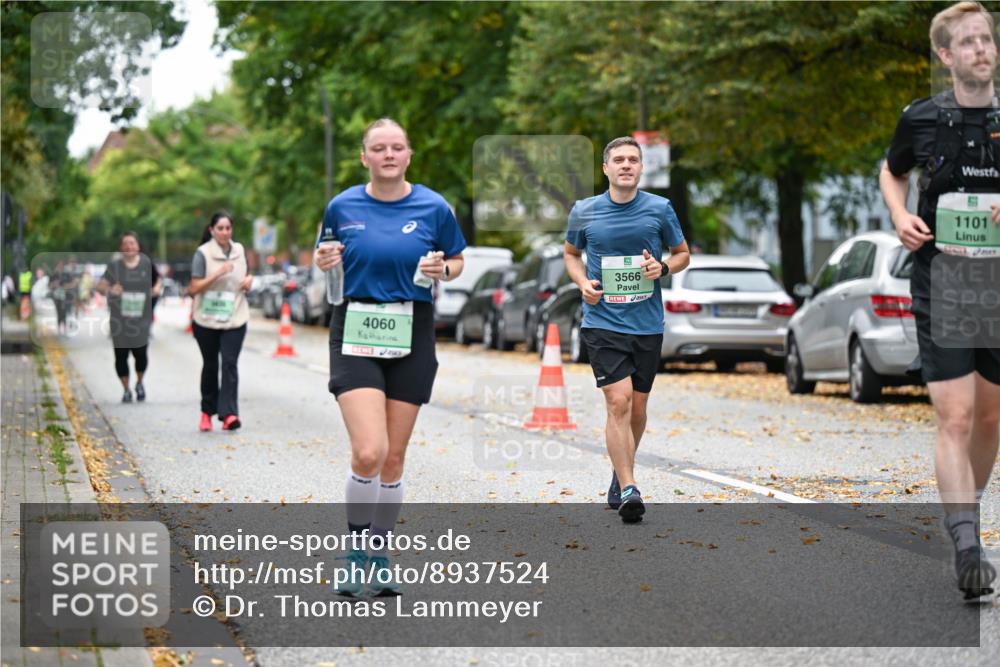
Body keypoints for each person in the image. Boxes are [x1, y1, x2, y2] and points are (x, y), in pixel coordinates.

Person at [314, 118, 466, 596]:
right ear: (365, 157)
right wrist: (322, 260)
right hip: (355, 327)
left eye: (396, 147)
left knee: (394, 459)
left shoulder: (433, 206)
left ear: (408, 154)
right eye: (378, 148)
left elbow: (457, 259)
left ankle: (380, 555)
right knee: (369, 451)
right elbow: (325, 256)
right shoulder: (342, 205)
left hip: (412, 330)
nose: (388, 155)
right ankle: (356, 554)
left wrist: (445, 267)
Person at [879, 1, 1000, 602]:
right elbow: (891, 170)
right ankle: (966, 546)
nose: (981, 48)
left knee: (989, 418)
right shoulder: (922, 118)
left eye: (988, 39)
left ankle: (962, 516)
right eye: (968, 42)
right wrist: (901, 214)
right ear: (946, 56)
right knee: (954, 416)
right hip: (942, 282)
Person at [564, 137, 690, 524]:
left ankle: (619, 473)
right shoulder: (584, 211)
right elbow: (571, 255)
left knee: (637, 407)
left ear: (640, 168)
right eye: (618, 159)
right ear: (605, 168)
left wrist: (663, 269)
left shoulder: (659, 208)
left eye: (633, 160)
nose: (626, 165)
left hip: (647, 324)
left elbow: (682, 253)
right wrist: (583, 283)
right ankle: (631, 487)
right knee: (617, 402)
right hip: (602, 322)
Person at [188, 212, 252, 432]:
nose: (225, 232)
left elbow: (247, 275)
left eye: (228, 228)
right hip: (206, 319)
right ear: (212, 230)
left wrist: (248, 281)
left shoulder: (240, 250)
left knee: (230, 364)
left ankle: (229, 414)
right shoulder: (203, 254)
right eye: (220, 228)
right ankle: (206, 412)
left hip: (235, 316)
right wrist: (218, 273)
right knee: (211, 365)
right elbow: (193, 289)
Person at [96, 232, 161, 403]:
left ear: (137, 246)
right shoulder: (114, 266)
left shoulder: (146, 264)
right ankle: (126, 389)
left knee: (141, 353)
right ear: (121, 248)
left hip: (141, 317)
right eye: (125, 244)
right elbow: (100, 286)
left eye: (132, 243)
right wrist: (111, 290)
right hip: (119, 319)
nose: (129, 247)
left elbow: (158, 280)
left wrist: (156, 290)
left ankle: (139, 382)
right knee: (121, 355)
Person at [49, 260, 76, 335]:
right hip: (57, 297)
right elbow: (49, 286)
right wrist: (54, 284)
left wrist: (66, 287)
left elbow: (72, 284)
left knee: (64, 312)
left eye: (61, 265)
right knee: (59, 312)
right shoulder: (53, 275)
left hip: (65, 297)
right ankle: (59, 328)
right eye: (59, 265)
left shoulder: (66, 274)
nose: (60, 267)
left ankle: (64, 327)